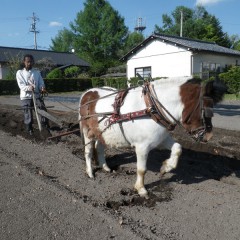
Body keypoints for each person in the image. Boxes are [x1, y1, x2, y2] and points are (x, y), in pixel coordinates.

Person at [16, 54, 49, 135]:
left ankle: (44, 125)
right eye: (28, 62)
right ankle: (29, 128)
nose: (29, 63)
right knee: (28, 113)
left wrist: (42, 88)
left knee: (42, 108)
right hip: (26, 97)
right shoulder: (20, 73)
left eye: (31, 62)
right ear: (24, 62)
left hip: (37, 95)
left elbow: (41, 82)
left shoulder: (36, 72)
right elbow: (21, 86)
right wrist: (29, 88)